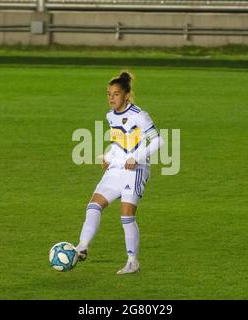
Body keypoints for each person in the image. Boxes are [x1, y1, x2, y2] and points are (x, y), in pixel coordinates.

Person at [75, 71, 163, 274]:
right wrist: (108, 157)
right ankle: (82, 246)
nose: (111, 98)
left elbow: (159, 140)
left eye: (115, 94)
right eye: (108, 94)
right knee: (94, 205)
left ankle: (132, 262)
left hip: (136, 170)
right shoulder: (110, 116)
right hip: (116, 168)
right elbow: (119, 143)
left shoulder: (138, 115)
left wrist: (137, 158)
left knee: (126, 216)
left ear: (126, 95)